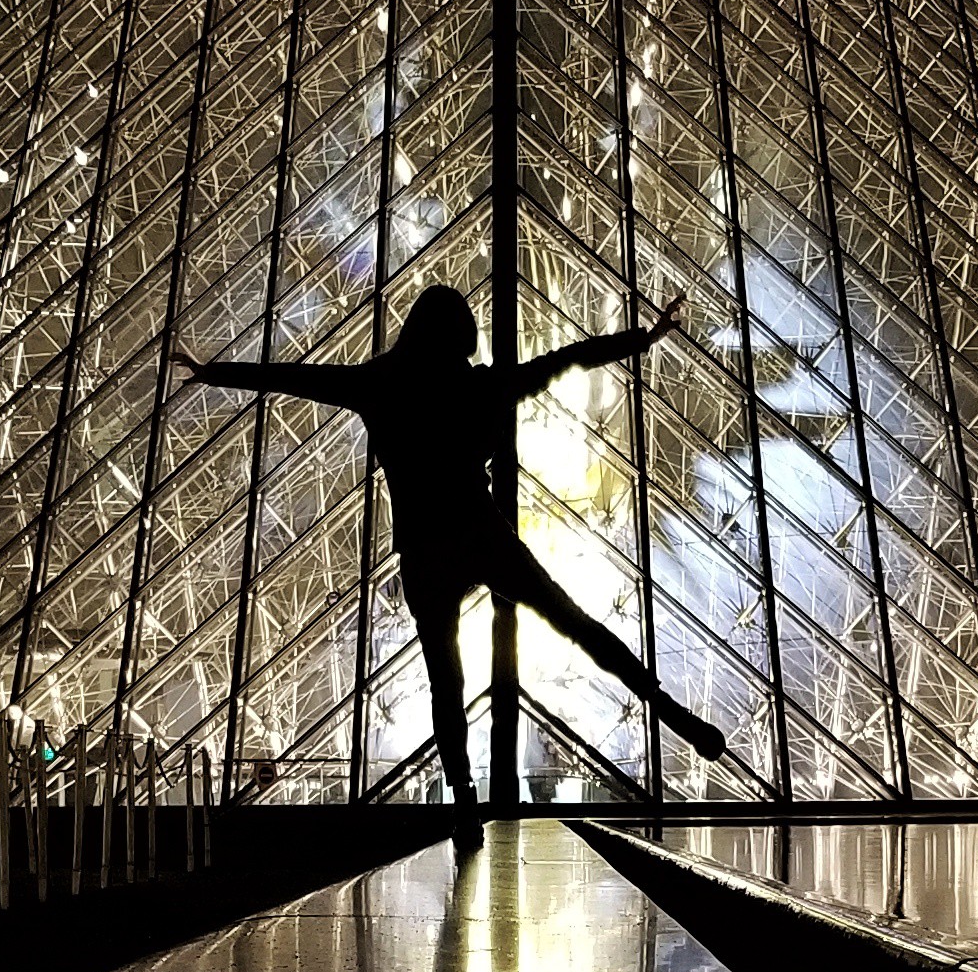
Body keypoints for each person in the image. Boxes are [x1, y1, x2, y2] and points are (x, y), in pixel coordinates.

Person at [179, 285, 728, 843]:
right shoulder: (481, 385)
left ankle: (464, 799)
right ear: (460, 332)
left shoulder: (378, 383)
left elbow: (291, 378)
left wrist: (210, 371)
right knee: (576, 623)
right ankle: (668, 709)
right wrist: (648, 336)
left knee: (446, 681)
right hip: (479, 531)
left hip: (423, 548)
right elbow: (572, 358)